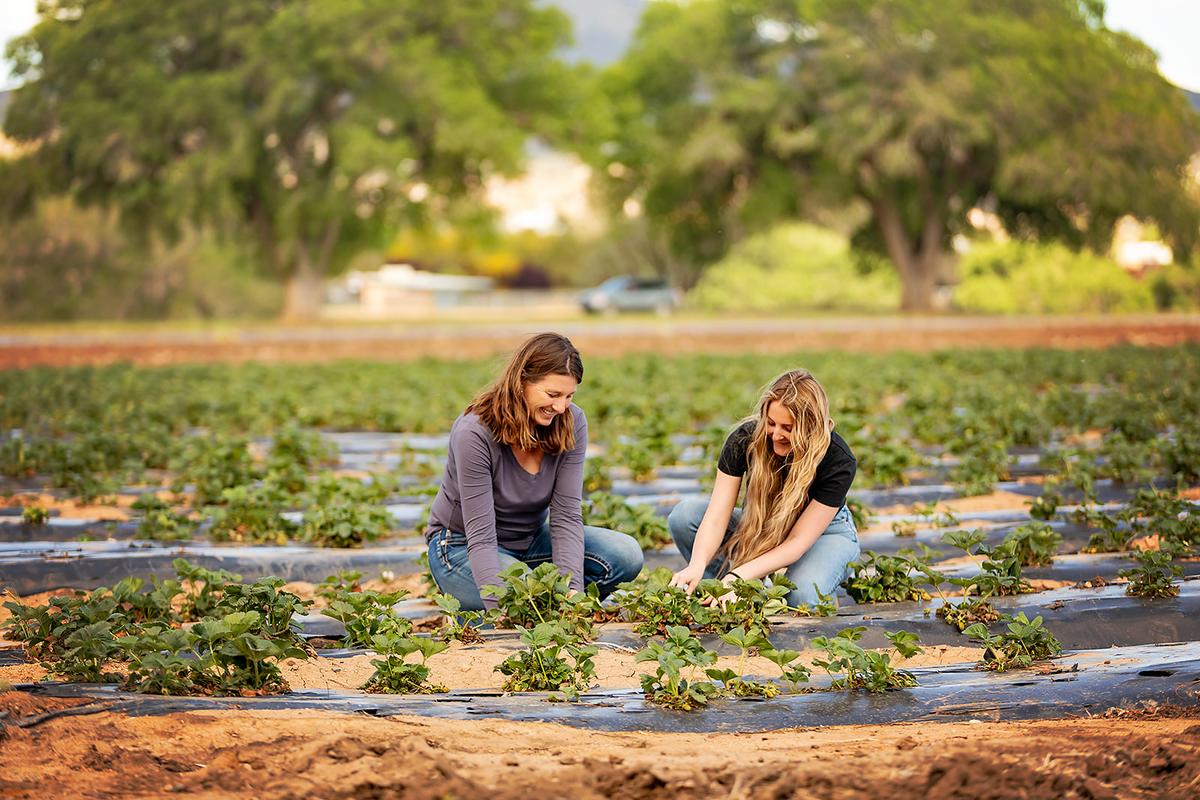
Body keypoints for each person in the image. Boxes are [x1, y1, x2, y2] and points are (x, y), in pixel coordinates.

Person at [426, 332, 644, 610]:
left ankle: (537, 603)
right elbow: (480, 536)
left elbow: (566, 517)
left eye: (569, 395)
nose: (561, 406)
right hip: (461, 546)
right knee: (529, 594)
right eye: (552, 394)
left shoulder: (571, 421)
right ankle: (478, 602)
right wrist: (501, 606)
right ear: (522, 382)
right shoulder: (475, 432)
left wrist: (572, 595)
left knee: (624, 554)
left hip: (530, 541)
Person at [667, 369, 858, 609]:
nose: (776, 434)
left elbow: (798, 541)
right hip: (761, 523)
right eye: (770, 423)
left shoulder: (837, 459)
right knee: (685, 516)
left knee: (803, 596)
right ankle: (722, 595)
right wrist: (697, 564)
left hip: (824, 533)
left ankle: (813, 580)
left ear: (809, 426)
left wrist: (738, 576)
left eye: (788, 428)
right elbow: (716, 517)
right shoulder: (745, 440)